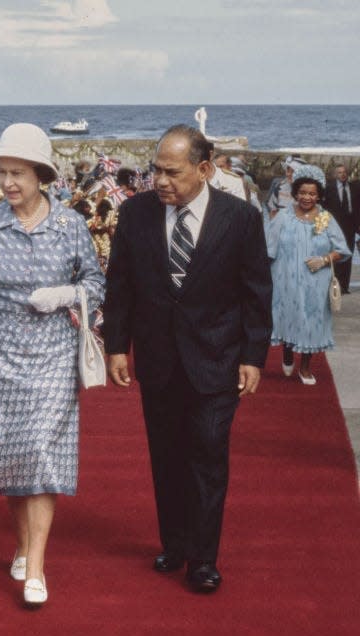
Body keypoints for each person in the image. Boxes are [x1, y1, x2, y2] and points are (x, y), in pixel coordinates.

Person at [0, 123, 105, 606]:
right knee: (14, 456)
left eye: (17, 173)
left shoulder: (70, 225)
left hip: (53, 348)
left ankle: (36, 568)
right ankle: (24, 544)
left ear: (41, 175)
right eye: (1, 173)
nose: (7, 182)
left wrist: (68, 293)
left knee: (39, 452)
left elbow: (97, 282)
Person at [104, 124, 272, 594]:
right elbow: (119, 286)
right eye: (156, 169)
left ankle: (202, 559)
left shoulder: (239, 218)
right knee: (167, 457)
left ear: (204, 169)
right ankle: (174, 544)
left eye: (171, 172)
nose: (160, 180)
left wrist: (253, 356)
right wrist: (117, 346)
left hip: (217, 360)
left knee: (208, 454)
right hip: (157, 360)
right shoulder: (135, 214)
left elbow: (256, 293)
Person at [267, 164, 351, 384]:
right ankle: (287, 353)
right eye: (303, 192)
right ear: (295, 193)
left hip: (316, 282)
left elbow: (342, 250)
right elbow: (268, 249)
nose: (307, 197)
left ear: (319, 195)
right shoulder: (283, 217)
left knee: (311, 323)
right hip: (285, 280)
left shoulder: (325, 219)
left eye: (312, 193)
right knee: (287, 317)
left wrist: (324, 259)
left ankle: (305, 368)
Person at [323, 163, 359, 293]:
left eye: (344, 172)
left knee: (348, 255)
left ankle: (344, 286)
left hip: (351, 226)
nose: (342, 174)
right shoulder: (329, 189)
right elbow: (324, 208)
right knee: (337, 256)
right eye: (339, 172)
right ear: (335, 175)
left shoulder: (355, 187)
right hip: (335, 225)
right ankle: (335, 285)